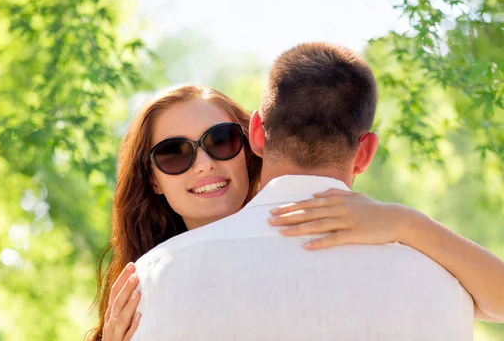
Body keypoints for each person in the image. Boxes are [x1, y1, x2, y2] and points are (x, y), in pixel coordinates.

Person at [87, 46, 504, 341]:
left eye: (219, 140)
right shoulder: (442, 280)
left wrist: (406, 223)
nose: (204, 165)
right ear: (365, 153)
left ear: (252, 136)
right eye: (174, 153)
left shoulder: (155, 280)